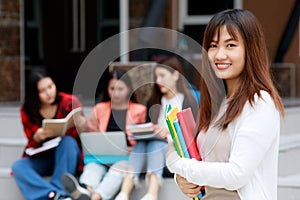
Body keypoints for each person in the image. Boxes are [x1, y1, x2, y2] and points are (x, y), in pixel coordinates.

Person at [166, 9, 285, 200]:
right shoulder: (216, 102)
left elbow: (236, 174)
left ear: (251, 49)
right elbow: (179, 150)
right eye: (213, 46)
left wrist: (178, 166)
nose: (219, 55)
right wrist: (181, 178)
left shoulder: (259, 102)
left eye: (230, 45)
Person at [115, 56, 198, 200]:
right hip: (153, 152)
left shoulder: (190, 99)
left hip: (175, 151)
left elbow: (194, 134)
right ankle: (124, 194)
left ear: (176, 75)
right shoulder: (154, 101)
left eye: (162, 76)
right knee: (142, 144)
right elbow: (148, 127)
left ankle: (151, 193)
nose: (158, 81)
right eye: (156, 77)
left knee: (155, 143)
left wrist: (169, 132)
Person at [61, 68, 147, 200]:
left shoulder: (140, 110)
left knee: (117, 172)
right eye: (112, 88)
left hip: (126, 158)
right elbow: (91, 136)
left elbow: (143, 139)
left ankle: (93, 197)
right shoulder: (99, 108)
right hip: (101, 156)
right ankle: (86, 190)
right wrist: (81, 125)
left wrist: (131, 149)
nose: (116, 93)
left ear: (129, 89)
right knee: (92, 169)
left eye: (120, 89)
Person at [11, 68, 86, 200]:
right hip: (43, 157)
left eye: (50, 87)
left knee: (68, 142)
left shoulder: (69, 102)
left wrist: (82, 124)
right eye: (42, 91)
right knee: (18, 167)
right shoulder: (27, 110)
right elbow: (31, 141)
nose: (48, 93)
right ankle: (55, 196)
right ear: (34, 94)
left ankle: (58, 191)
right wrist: (37, 137)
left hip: (66, 156)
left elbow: (85, 133)